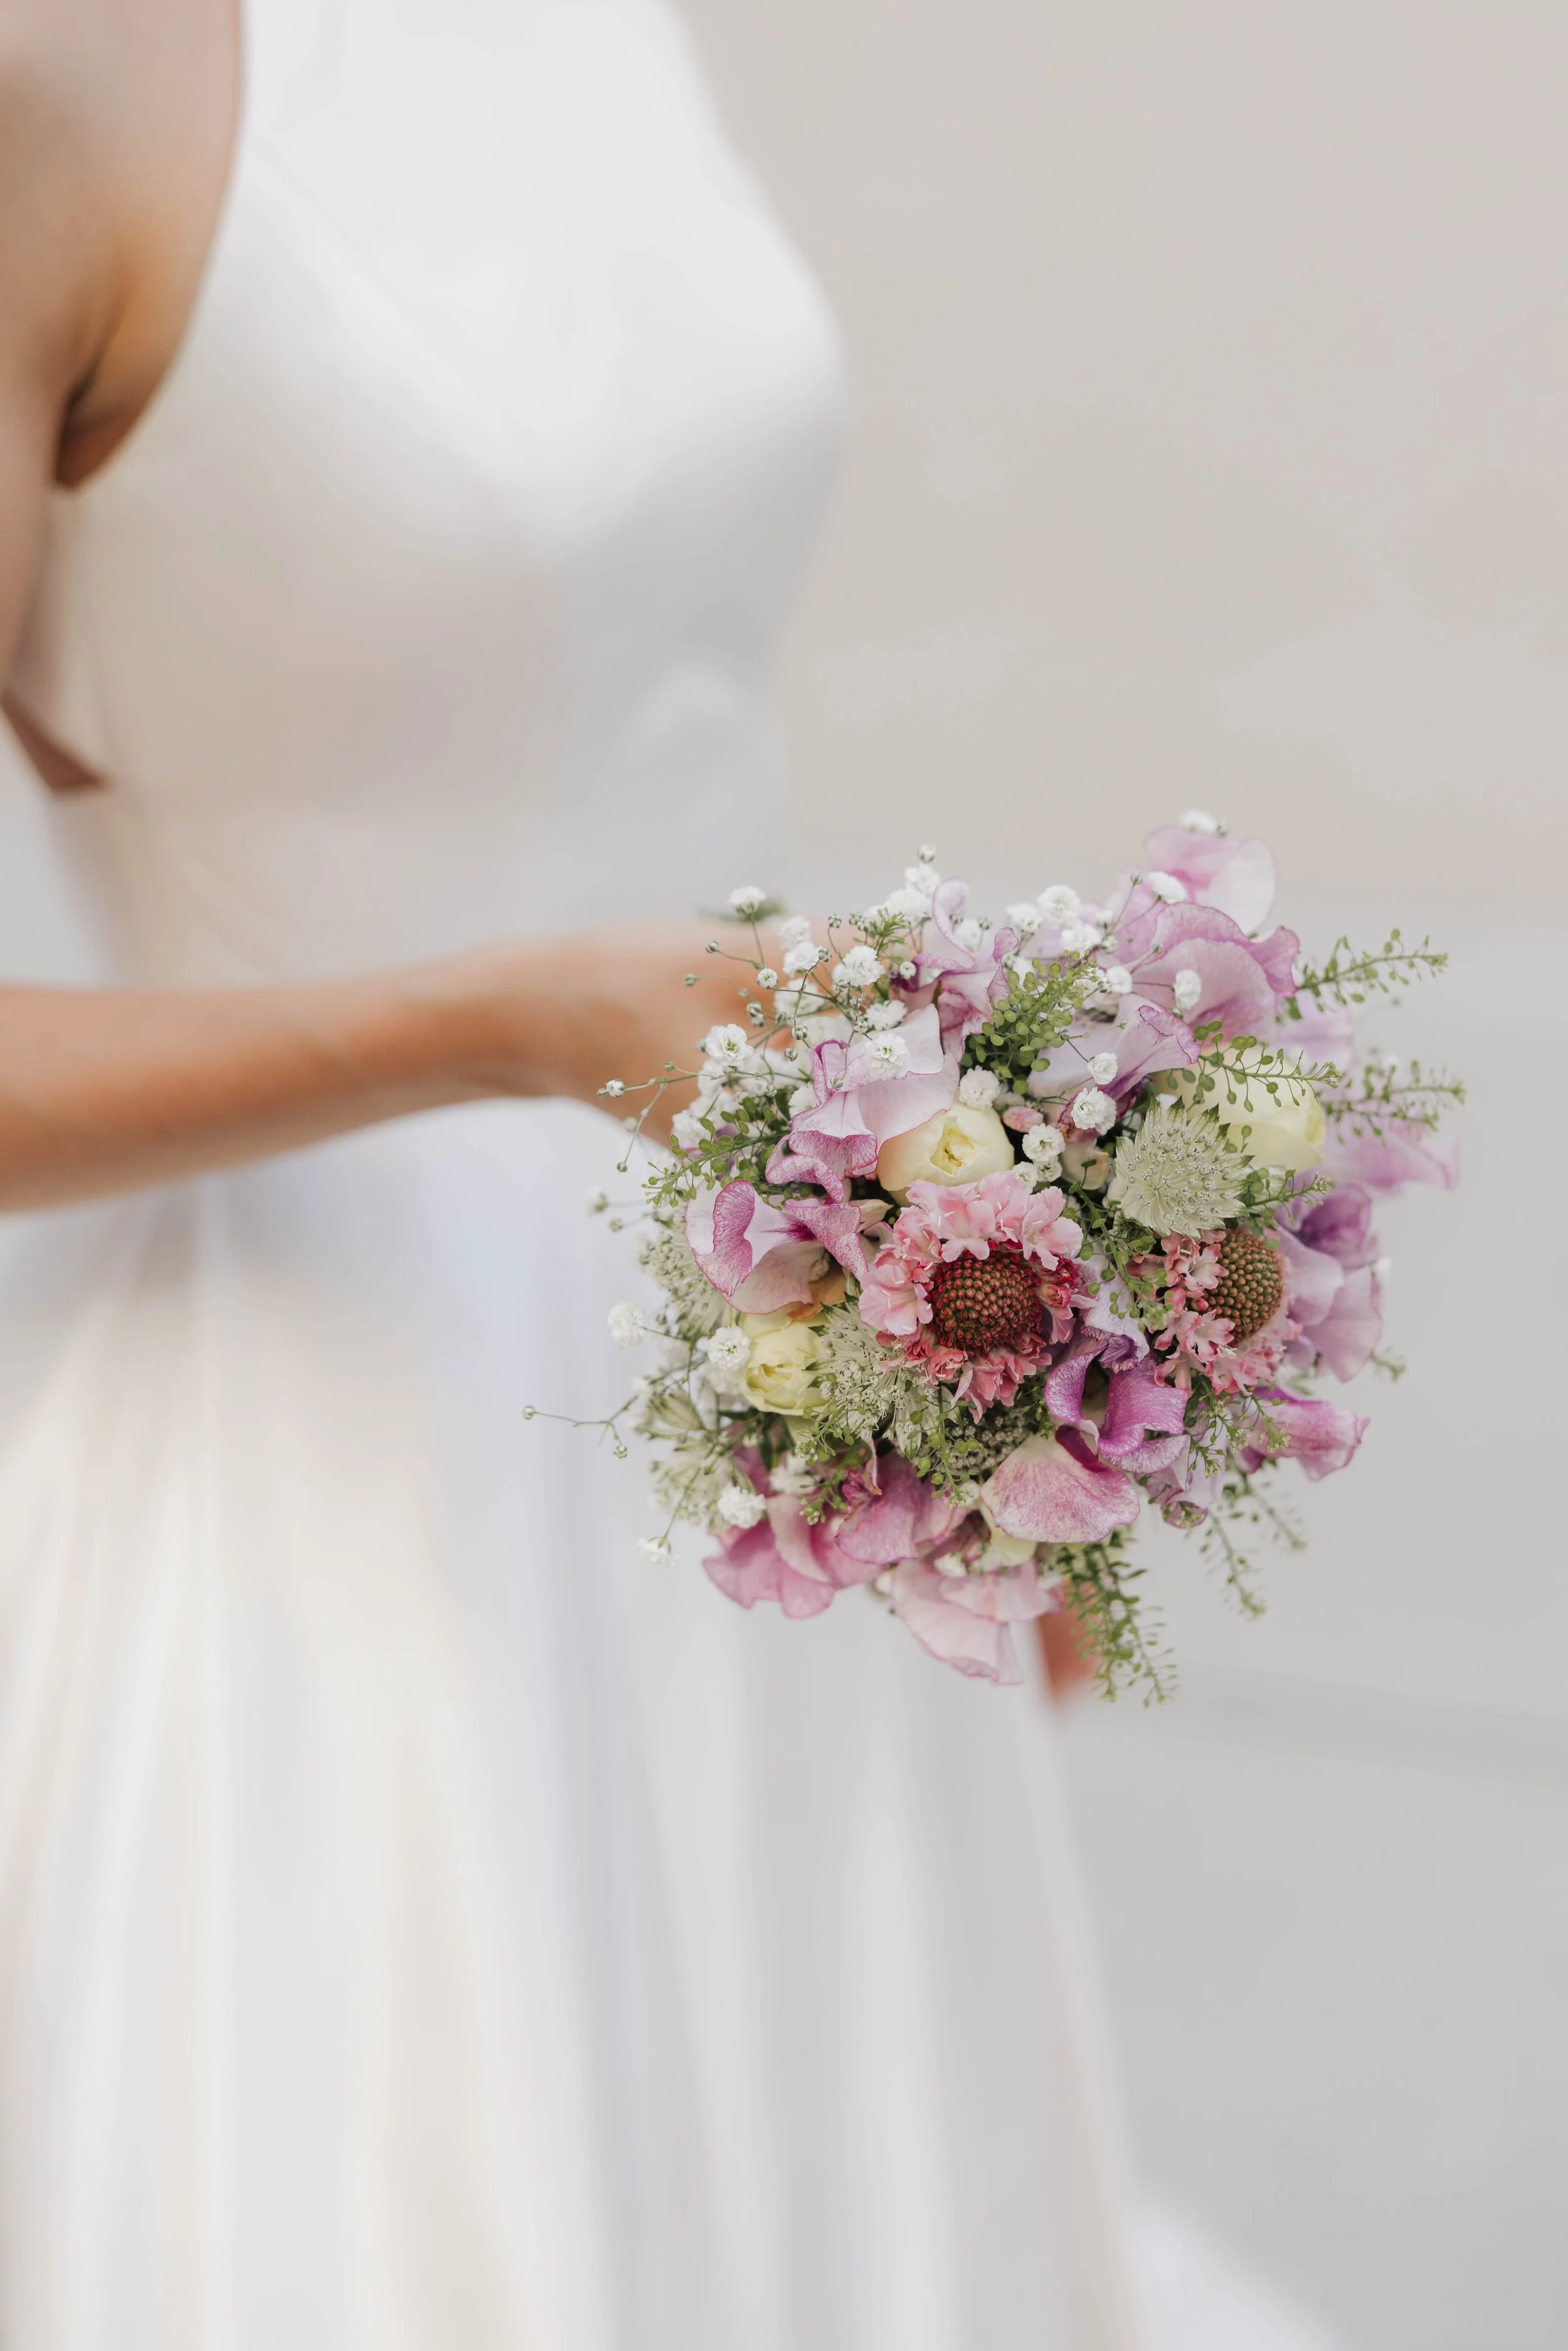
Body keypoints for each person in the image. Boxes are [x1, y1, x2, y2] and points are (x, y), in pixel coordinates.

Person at [0, 1, 1332, 2344]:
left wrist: (991, 1331)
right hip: (347, 1463)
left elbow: (641, 677)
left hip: (777, 1387)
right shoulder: (53, 92)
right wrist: (514, 1026)